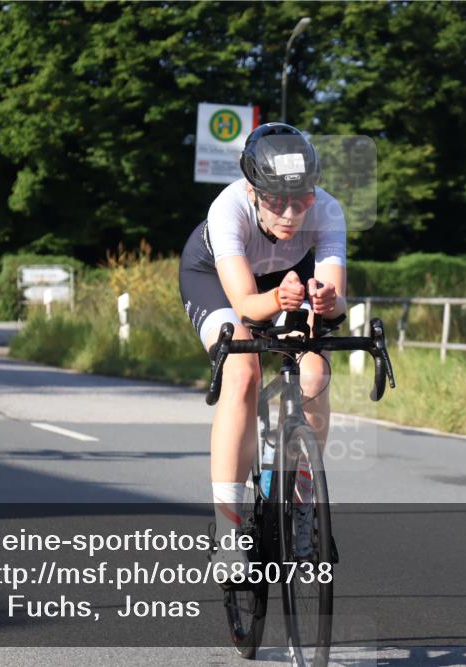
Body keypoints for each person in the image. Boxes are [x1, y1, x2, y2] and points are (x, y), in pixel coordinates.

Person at [179, 123, 347, 567]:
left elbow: (335, 299)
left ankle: (302, 506)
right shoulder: (227, 209)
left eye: (302, 200)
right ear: (253, 192)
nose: (291, 214)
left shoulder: (327, 209)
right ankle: (229, 530)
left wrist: (328, 301)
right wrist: (277, 301)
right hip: (218, 282)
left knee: (315, 369)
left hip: (285, 282)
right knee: (243, 371)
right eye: (277, 201)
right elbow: (246, 306)